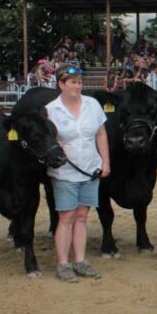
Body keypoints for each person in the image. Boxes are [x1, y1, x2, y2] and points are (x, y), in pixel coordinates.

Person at [46, 65, 110, 282]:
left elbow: (101, 134)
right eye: (73, 82)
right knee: (66, 217)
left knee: (82, 216)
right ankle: (63, 263)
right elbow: (46, 140)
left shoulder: (92, 104)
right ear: (61, 84)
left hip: (90, 169)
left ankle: (80, 261)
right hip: (65, 171)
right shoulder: (51, 110)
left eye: (79, 82)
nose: (77, 86)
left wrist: (105, 161)